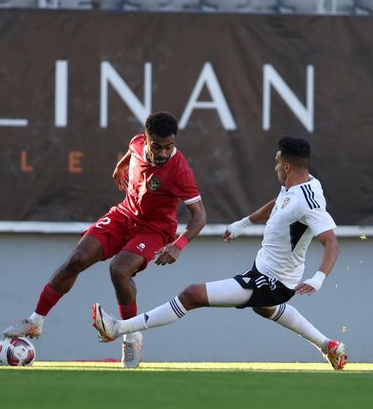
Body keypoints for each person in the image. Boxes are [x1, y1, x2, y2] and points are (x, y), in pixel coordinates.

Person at [93, 136, 347, 370]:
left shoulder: (309, 201)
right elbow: (279, 203)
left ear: (288, 166)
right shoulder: (301, 184)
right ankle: (329, 346)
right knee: (265, 309)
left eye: (278, 163)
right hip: (264, 272)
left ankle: (117, 328)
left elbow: (331, 242)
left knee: (191, 294)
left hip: (274, 281)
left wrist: (318, 278)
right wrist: (244, 223)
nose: (276, 168)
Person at [3, 111, 206, 368]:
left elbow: (200, 215)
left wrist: (178, 245)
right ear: (146, 139)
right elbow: (132, 151)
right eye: (158, 146)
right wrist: (121, 165)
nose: (164, 153)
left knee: (119, 269)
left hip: (154, 229)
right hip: (123, 215)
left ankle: (131, 336)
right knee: (77, 259)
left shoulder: (180, 171)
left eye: (170, 147)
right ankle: (35, 321)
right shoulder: (137, 143)